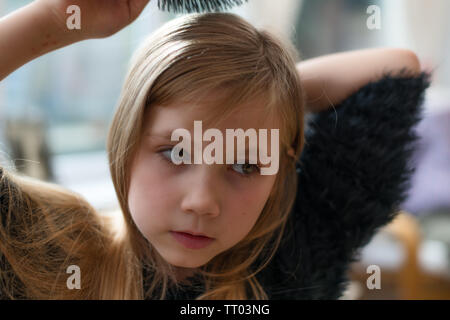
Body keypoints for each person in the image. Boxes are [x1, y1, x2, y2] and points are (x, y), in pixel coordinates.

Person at [0, 0, 430, 299]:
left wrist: (266, 97)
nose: (203, 202)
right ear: (125, 142)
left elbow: (398, 69)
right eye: (176, 153)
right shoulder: (50, 251)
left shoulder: (298, 253)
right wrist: (54, 19)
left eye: (245, 163)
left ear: (279, 171)